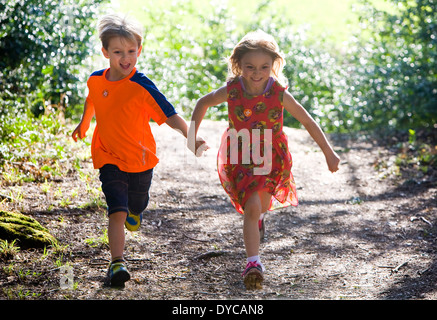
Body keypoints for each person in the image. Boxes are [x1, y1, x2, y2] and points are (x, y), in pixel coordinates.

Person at [188, 30, 340, 290]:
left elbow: (306, 120)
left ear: (273, 66)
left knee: (259, 205)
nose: (257, 73)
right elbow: (202, 103)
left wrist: (328, 152)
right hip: (241, 154)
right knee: (251, 205)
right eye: (250, 67)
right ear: (239, 65)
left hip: (271, 156)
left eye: (264, 67)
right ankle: (253, 263)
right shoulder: (233, 90)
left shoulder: (278, 93)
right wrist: (192, 137)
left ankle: (257, 217)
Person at [72, 14, 204, 287]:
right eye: (118, 51)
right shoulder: (96, 80)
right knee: (116, 210)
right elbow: (91, 100)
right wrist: (84, 124)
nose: (125, 57)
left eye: (131, 51)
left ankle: (137, 209)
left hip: (141, 159)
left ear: (139, 51)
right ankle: (117, 262)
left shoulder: (142, 85)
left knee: (136, 204)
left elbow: (169, 114)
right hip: (108, 155)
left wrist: (191, 137)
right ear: (105, 51)